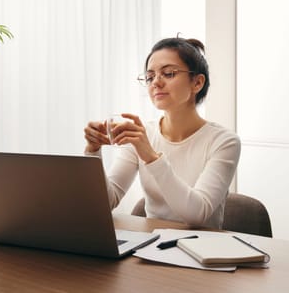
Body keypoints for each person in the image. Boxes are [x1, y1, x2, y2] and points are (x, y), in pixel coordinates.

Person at [83, 37, 240, 228]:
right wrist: (93, 152)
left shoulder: (224, 142)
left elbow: (197, 215)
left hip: (201, 250)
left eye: (168, 73)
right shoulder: (143, 134)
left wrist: (150, 156)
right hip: (150, 247)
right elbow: (107, 202)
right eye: (150, 77)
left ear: (197, 83)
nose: (156, 82)